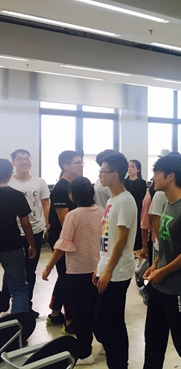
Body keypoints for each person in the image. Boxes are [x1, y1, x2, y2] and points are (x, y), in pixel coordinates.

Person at [143, 155, 181, 369]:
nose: (153, 178)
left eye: (157, 173)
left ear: (170, 176)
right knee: (153, 338)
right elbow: (168, 245)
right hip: (161, 287)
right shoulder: (168, 205)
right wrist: (155, 265)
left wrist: (163, 271)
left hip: (180, 289)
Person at [42, 176, 103, 366]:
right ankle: (106, 343)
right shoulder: (101, 212)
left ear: (71, 196)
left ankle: (85, 353)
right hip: (97, 269)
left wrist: (48, 266)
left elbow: (62, 244)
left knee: (81, 315)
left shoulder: (73, 215)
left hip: (77, 271)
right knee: (97, 310)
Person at [92, 152, 138, 368]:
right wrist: (100, 266)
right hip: (108, 266)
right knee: (114, 321)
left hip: (118, 271)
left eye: (103, 171)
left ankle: (118, 363)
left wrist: (108, 270)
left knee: (103, 323)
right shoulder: (112, 199)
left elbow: (121, 239)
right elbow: (107, 238)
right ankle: (119, 363)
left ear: (115, 174)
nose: (100, 175)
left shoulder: (125, 200)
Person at [6, 149, 49, 318]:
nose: (25, 162)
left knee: (30, 270)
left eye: (27, 158)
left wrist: (47, 223)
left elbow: (45, 203)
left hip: (35, 229)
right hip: (14, 232)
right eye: (20, 159)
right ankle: (6, 300)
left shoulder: (39, 182)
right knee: (13, 269)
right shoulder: (8, 182)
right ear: (13, 163)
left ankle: (27, 306)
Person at [46, 150, 83, 331]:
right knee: (68, 280)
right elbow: (65, 221)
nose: (81, 166)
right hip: (63, 240)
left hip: (68, 239)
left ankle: (55, 315)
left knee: (64, 277)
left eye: (81, 162)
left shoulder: (71, 186)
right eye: (77, 163)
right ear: (65, 166)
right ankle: (70, 322)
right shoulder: (61, 188)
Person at [0, 158, 36, 314]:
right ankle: (19, 325)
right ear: (10, 174)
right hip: (12, 245)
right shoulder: (16, 195)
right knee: (19, 288)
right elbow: (26, 224)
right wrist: (32, 244)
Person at [125, 159, 146, 255]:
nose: (129, 169)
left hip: (137, 209)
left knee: (136, 230)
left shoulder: (142, 182)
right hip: (126, 209)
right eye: (128, 167)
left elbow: (140, 197)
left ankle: (137, 251)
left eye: (132, 167)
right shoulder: (124, 182)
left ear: (138, 169)